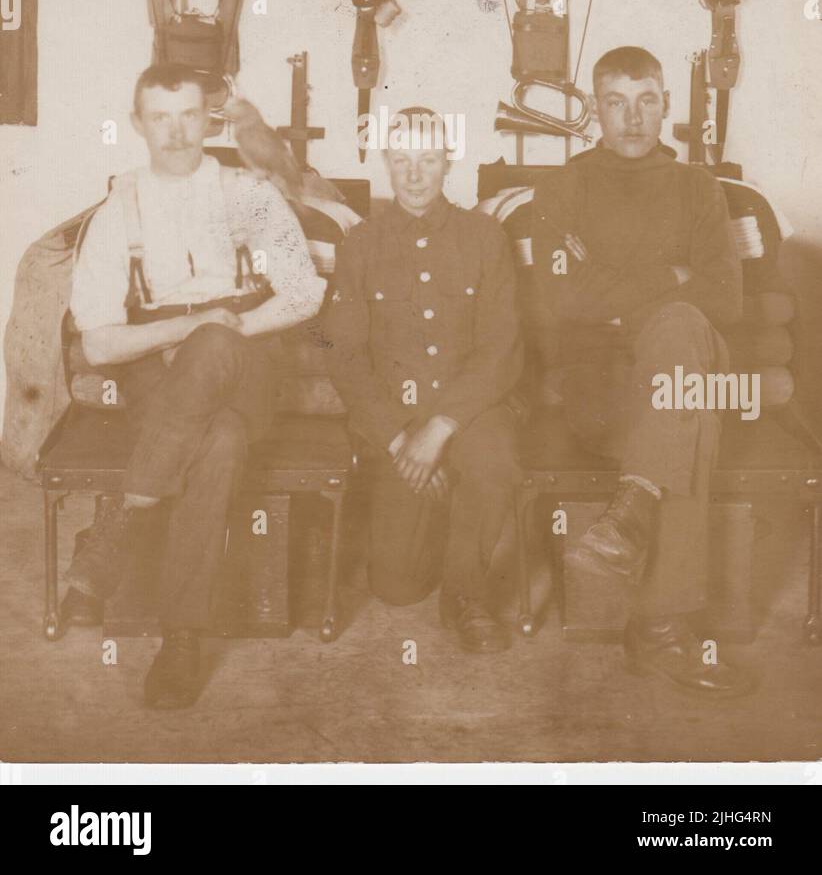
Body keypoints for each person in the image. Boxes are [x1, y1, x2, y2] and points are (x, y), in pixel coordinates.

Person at [66, 64, 326, 709]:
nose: (178, 132)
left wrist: (227, 324)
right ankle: (183, 637)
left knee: (215, 348)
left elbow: (303, 292)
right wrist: (179, 330)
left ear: (210, 120)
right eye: (161, 117)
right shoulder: (114, 211)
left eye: (190, 115)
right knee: (220, 444)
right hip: (160, 374)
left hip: (249, 355)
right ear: (138, 124)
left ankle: (122, 523)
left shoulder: (248, 193)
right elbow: (97, 342)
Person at [531, 46, 751, 696]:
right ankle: (659, 632)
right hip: (598, 388)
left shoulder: (696, 187)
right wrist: (672, 277)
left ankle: (630, 518)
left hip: (675, 372)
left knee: (683, 342)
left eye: (647, 100)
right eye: (617, 102)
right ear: (595, 109)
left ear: (665, 106)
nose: (632, 117)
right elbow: (562, 300)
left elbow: (728, 300)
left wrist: (609, 284)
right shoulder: (562, 187)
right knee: (689, 404)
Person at [325, 107, 524, 652]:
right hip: (395, 424)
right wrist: (398, 441)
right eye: (403, 160)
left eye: (429, 160)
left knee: (492, 454)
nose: (415, 175)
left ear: (448, 163)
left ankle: (468, 595)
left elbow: (500, 348)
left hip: (470, 412)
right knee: (395, 587)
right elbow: (344, 355)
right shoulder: (359, 244)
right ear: (386, 161)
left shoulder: (485, 238)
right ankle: (443, 508)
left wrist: (438, 430)